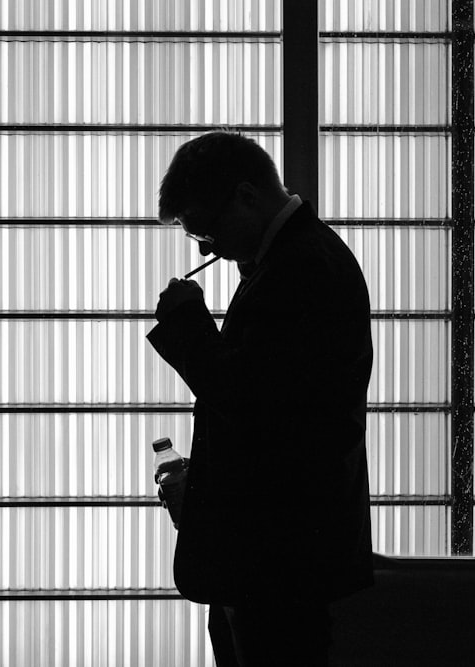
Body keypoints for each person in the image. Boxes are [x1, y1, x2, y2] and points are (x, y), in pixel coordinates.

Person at [147, 132, 374, 665]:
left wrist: (188, 325)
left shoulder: (301, 268)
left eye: (207, 229)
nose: (205, 248)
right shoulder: (294, 259)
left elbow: (256, 409)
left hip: (277, 557)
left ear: (247, 196)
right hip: (273, 552)